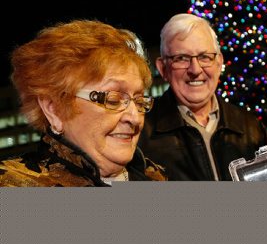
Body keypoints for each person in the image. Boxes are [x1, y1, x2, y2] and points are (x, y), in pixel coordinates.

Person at [0, 20, 168, 186]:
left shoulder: (156, 176)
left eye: (139, 102)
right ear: (54, 110)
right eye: (113, 100)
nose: (135, 118)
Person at [139, 13, 267, 180]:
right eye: (181, 58)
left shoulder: (251, 128)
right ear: (163, 68)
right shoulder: (139, 133)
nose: (195, 70)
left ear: (219, 63)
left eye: (204, 57)